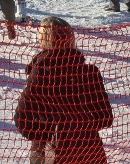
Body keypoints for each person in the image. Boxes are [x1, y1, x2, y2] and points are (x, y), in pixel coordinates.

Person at [14, 16, 113, 163]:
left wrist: (45, 136)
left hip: (53, 153)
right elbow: (105, 117)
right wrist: (82, 128)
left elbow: (21, 118)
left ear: (44, 41)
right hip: (89, 150)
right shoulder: (89, 72)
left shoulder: (40, 73)